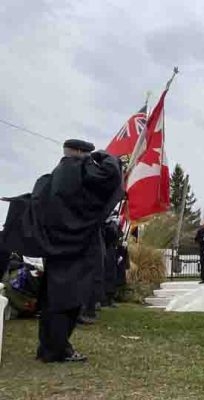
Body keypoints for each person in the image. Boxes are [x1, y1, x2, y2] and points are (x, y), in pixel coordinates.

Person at [2, 139, 123, 362]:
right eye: (88, 153)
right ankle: (58, 350)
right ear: (80, 153)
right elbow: (111, 175)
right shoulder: (84, 172)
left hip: (56, 249)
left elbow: (35, 207)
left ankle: (47, 348)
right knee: (70, 301)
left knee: (52, 300)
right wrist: (105, 156)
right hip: (79, 249)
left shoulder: (48, 180)